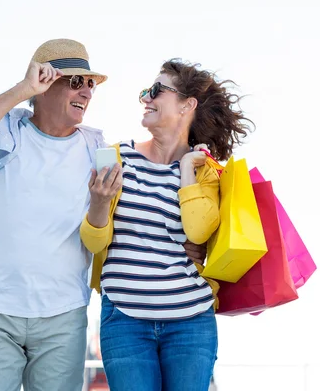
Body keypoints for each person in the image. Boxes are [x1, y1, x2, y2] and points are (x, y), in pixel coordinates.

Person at [0, 40, 205, 391]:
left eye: (90, 83)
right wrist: (22, 90)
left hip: (62, 316)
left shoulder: (99, 150)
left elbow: (131, 217)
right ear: (45, 84)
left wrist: (187, 245)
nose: (87, 92)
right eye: (76, 81)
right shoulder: (5, 132)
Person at [80, 58, 254, 391]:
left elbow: (199, 231)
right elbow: (93, 243)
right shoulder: (116, 157)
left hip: (191, 323)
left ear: (187, 104)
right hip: (125, 322)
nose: (146, 98)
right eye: (145, 91)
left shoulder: (204, 170)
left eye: (156, 90)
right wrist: (100, 202)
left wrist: (187, 168)